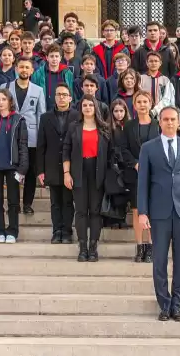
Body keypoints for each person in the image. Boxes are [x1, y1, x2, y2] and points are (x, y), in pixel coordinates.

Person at [137, 106, 180, 322]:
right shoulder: (148, 148)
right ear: (160, 122)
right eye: (165, 119)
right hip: (158, 212)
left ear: (179, 121)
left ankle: (177, 304)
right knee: (159, 260)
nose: (169, 123)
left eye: (173, 119)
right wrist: (142, 212)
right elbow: (143, 183)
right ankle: (164, 304)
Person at [63, 95, 111, 262]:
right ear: (81, 108)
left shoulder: (104, 128)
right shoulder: (73, 127)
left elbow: (110, 154)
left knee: (95, 211)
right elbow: (66, 150)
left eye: (91, 105)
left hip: (98, 172)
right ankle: (82, 247)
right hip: (78, 170)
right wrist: (66, 173)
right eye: (85, 105)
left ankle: (93, 247)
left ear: (95, 107)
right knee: (81, 211)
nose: (88, 107)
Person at [1, 57, 46, 214]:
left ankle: (27, 203)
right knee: (12, 170)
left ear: (32, 70)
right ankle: (13, 203)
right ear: (16, 69)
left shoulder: (38, 90)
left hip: (32, 136)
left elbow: (41, 114)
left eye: (27, 67)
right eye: (21, 67)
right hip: (11, 134)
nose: (24, 70)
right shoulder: (5, 87)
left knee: (31, 172)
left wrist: (42, 138)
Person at [119, 91, 160, 262]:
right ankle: (139, 246)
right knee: (137, 211)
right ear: (134, 106)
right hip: (134, 173)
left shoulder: (158, 124)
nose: (142, 104)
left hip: (155, 174)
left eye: (145, 101)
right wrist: (136, 164)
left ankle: (150, 246)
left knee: (150, 211)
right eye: (139, 102)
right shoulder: (128, 126)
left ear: (151, 104)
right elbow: (123, 148)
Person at [0, 88, 29, 243]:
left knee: (13, 200)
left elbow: (23, 145)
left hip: (13, 167)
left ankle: (12, 231)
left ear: (10, 101)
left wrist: (22, 168)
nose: (1, 102)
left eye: (4, 99)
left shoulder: (19, 120)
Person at [37, 83, 76, 244]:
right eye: (58, 94)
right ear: (54, 97)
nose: (61, 97)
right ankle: (56, 230)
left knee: (68, 201)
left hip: (71, 166)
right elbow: (41, 145)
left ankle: (67, 231)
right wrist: (40, 170)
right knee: (55, 202)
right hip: (51, 164)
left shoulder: (77, 116)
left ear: (70, 98)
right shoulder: (46, 117)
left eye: (64, 94)